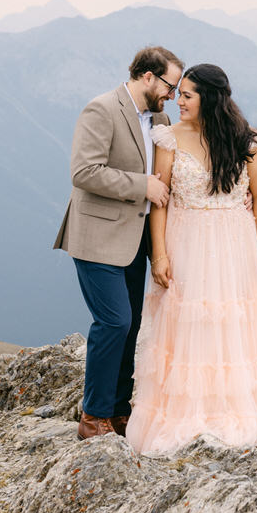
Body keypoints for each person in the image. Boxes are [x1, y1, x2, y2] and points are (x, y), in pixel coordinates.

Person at [125, 63, 257, 455]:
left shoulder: (247, 143)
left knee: (231, 321)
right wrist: (160, 255)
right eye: (179, 93)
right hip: (184, 242)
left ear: (211, 99)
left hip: (233, 246)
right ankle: (186, 411)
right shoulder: (168, 139)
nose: (177, 101)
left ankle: (231, 407)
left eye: (187, 95)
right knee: (188, 323)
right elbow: (161, 203)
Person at [54, 45, 183, 440]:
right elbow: (84, 171)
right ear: (148, 76)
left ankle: (119, 411)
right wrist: (141, 186)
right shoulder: (102, 109)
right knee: (114, 321)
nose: (173, 97)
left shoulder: (158, 117)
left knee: (132, 326)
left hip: (135, 239)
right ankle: (92, 417)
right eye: (170, 86)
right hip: (96, 237)